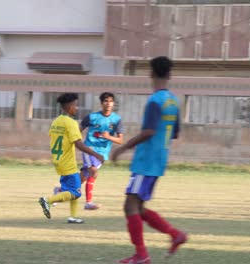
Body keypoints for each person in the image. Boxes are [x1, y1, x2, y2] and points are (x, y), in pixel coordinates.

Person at [111, 56, 187, 264]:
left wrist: (123, 148)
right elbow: (175, 133)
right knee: (138, 207)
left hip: (146, 160)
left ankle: (141, 255)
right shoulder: (173, 101)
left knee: (130, 206)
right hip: (159, 159)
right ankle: (175, 235)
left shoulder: (155, 101)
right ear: (169, 75)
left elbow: (148, 131)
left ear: (151, 74)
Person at [38, 93, 104, 224]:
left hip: (58, 160)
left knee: (76, 186)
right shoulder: (71, 123)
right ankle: (48, 200)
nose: (77, 108)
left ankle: (73, 216)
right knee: (76, 192)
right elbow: (78, 143)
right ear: (69, 106)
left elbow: (53, 138)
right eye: (75, 105)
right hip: (67, 162)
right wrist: (96, 154)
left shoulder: (56, 122)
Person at [79, 92, 124, 210]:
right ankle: (88, 202)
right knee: (93, 171)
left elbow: (120, 140)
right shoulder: (92, 117)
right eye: (106, 101)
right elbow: (78, 131)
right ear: (101, 103)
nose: (108, 104)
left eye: (110, 101)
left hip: (103, 153)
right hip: (90, 148)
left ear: (113, 103)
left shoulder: (116, 120)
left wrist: (109, 137)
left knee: (83, 177)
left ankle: (61, 190)